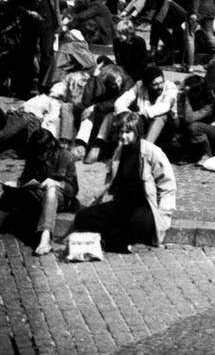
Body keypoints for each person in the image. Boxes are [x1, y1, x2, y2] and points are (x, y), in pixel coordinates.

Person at [69, 111, 176, 252]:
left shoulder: (151, 152)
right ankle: (114, 241)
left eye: (127, 132)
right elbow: (110, 182)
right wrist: (97, 201)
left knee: (136, 223)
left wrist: (164, 217)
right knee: (83, 216)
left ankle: (114, 241)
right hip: (122, 205)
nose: (122, 136)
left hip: (145, 207)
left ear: (137, 132)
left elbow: (167, 186)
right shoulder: (119, 151)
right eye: (120, 132)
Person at [1, 126, 78, 255]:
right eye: (38, 153)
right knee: (10, 191)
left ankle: (45, 238)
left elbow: (73, 189)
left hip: (60, 198)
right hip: (37, 193)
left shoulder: (64, 156)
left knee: (51, 190)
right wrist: (17, 185)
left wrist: (57, 183)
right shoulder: (33, 156)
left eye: (44, 153)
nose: (41, 157)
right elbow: (25, 178)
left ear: (51, 147)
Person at [114, 65, 179, 152]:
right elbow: (121, 101)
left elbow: (165, 106)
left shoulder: (170, 87)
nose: (160, 86)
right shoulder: (139, 85)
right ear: (147, 84)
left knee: (161, 116)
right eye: (155, 84)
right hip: (146, 122)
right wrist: (126, 114)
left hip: (169, 125)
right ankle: (122, 149)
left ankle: (144, 151)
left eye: (161, 82)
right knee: (121, 116)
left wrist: (141, 114)